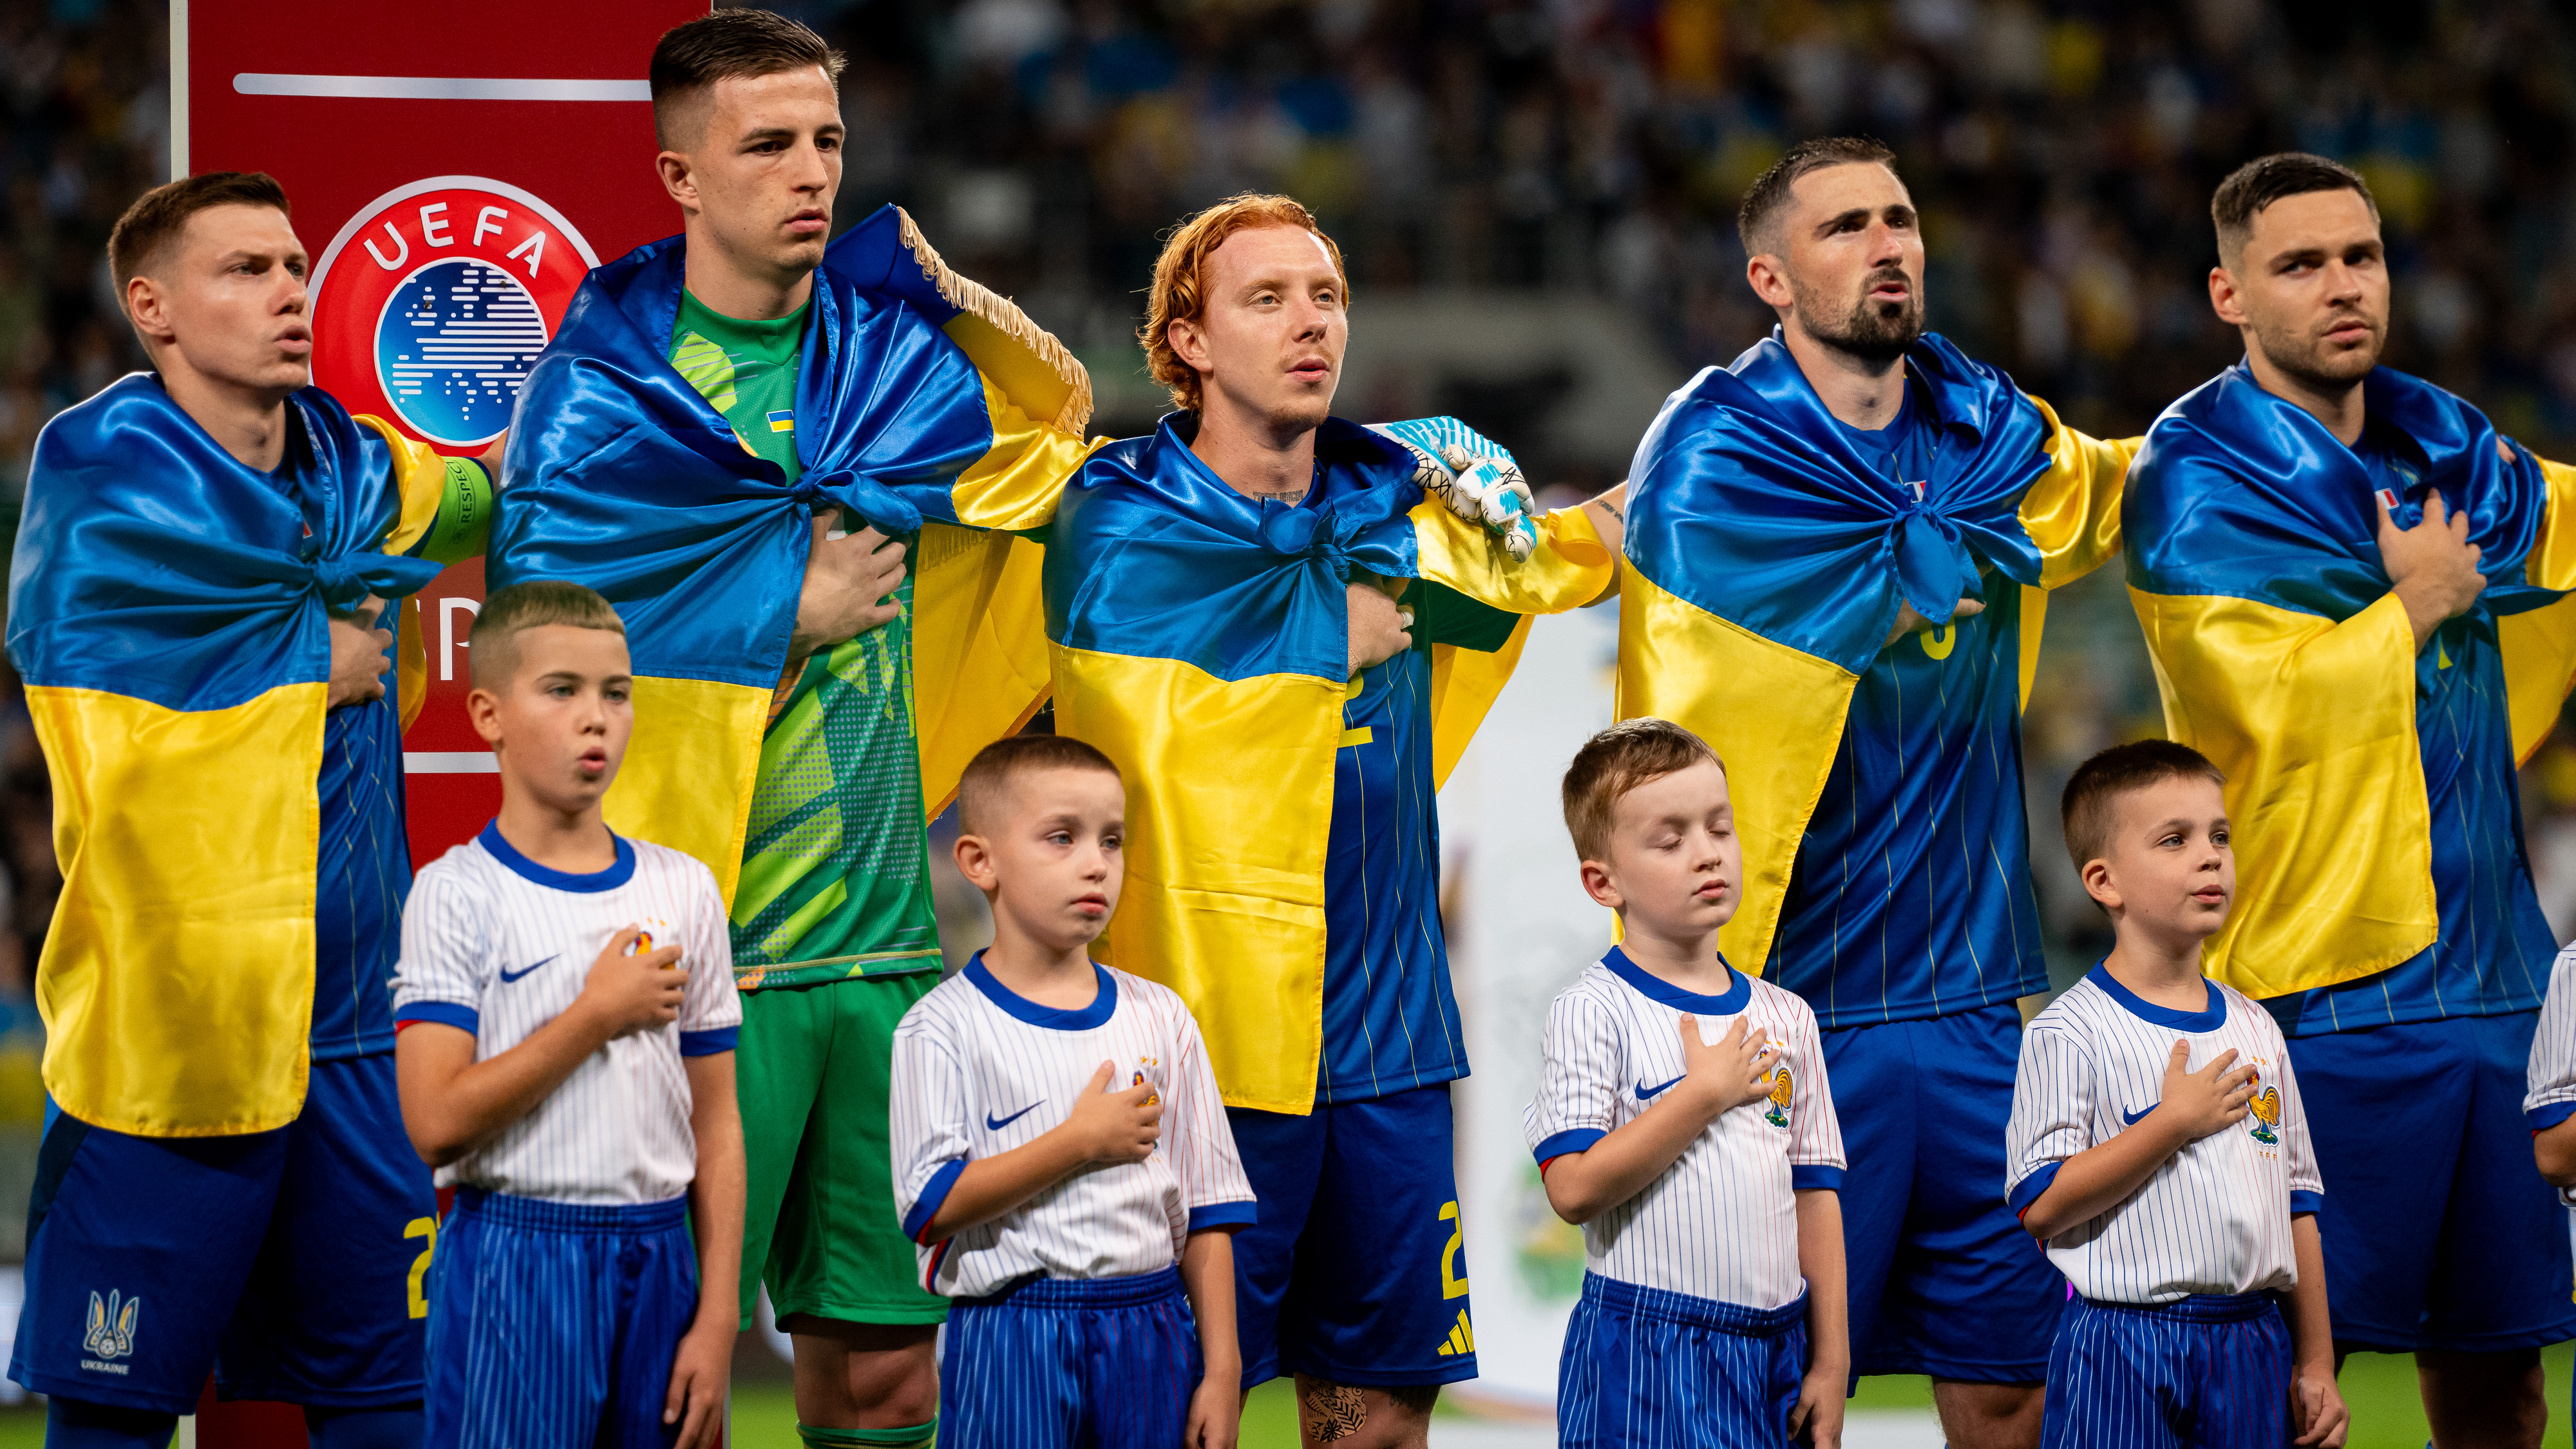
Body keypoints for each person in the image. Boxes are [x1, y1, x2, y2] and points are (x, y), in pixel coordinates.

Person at [489, 13, 1101, 1446]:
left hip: (887, 960)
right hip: (700, 974)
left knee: (890, 1376)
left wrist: (949, 298)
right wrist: (782, 611)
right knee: (660, 1380)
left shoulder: (896, 373)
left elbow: (1048, 459)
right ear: (680, 176)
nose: (811, 172)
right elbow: (544, 670)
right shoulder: (601, 401)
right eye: (766, 144)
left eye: (827, 140)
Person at [1043, 191, 1618, 1448]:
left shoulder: (1402, 515)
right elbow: (1136, 700)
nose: (1311, 322)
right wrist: (1318, 635)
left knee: (1381, 1423)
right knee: (1166, 1412)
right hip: (1195, 1053)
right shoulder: (1116, 512)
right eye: (1267, 299)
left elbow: (1574, 553)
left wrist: (1721, 448)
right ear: (1188, 342)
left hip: (1386, 1046)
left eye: (1327, 297)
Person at [1604, 136, 2135, 1448]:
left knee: (2011, 1386)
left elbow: (2118, 489)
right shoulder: (1717, 451)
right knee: (1775, 1393)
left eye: (1899, 218)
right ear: (1770, 279)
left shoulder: (1989, 431)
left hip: (1974, 1007)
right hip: (1788, 1010)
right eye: (1844, 227)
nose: (1887, 243)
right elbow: (1681, 716)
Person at [3, 172, 491, 1448]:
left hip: (359, 1042)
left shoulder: (356, 465)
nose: (289, 292)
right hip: (171, 1046)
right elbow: (99, 712)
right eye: (245, 270)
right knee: (111, 1416)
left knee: (389, 1408)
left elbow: (491, 492)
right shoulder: (101, 474)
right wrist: (303, 664)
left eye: (294, 267)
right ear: (151, 308)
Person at [2123, 152, 2576, 1443]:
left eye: (2360, 257)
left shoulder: (2454, 449)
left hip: (2499, 989)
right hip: (2323, 992)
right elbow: (2258, 710)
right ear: (2229, 295)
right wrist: (2415, 603)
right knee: (2285, 1382)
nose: (2341, 286)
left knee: (2500, 1374)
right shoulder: (2192, 477)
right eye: (2300, 264)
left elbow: (2562, 527)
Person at [392, 580, 744, 1449]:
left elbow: (718, 1123)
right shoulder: (455, 892)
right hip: (515, 1254)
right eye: (563, 690)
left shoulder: (683, 886)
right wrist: (595, 1015)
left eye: (616, 693)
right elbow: (435, 1122)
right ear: (488, 715)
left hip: (662, 1258)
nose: (597, 718)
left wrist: (717, 1317)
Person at [889, 735, 1255, 1449]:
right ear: (979, 862)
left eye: (1111, 840)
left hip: (1153, 1329)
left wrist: (1222, 1369)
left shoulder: (1162, 1017)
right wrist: (1078, 1142)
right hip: (1009, 1332)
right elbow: (930, 1206)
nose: (1096, 864)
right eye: (1062, 837)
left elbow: (1208, 1207)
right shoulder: (939, 1027)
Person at [2007, 740, 2345, 1449]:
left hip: (2252, 1339)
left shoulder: (2256, 1027)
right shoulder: (2068, 1031)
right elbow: (2041, 1203)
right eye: (2175, 839)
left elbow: (2299, 1204)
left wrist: (2316, 1362)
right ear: (2104, 882)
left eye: (2219, 836)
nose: (2210, 857)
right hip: (2119, 1343)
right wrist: (2171, 1123)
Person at [1526, 718, 1847, 1449]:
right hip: (1649, 1351)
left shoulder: (1787, 1016)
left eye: (1719, 828)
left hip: (1777, 1348)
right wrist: (1702, 1095)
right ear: (1603, 882)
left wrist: (1831, 1361)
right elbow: (1572, 1189)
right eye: (1670, 841)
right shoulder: (1592, 1009)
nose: (1707, 853)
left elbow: (1815, 1193)